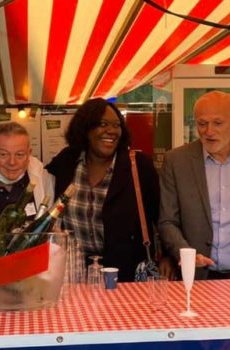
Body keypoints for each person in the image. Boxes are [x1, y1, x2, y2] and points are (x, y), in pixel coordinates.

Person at [158, 91, 230, 280]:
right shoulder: (176, 161)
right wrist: (186, 253)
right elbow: (167, 220)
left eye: (218, 123)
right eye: (202, 124)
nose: (209, 131)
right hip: (197, 276)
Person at [45, 98, 161, 282]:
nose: (112, 131)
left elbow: (161, 217)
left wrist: (170, 256)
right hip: (72, 276)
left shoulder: (138, 166)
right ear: (85, 128)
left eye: (117, 125)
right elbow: (38, 184)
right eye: (103, 124)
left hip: (125, 277)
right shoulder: (67, 162)